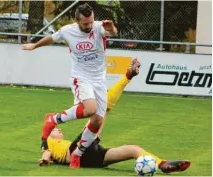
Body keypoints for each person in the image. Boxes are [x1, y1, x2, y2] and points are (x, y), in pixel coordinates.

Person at [38, 61, 191, 174]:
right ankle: (127, 77)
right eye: (55, 129)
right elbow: (46, 153)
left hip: (92, 158)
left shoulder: (56, 141)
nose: (58, 130)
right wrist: (44, 158)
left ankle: (162, 164)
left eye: (57, 128)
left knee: (133, 149)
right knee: (102, 109)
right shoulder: (49, 142)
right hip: (77, 151)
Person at [22, 3, 118, 168]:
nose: (89, 26)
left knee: (97, 121)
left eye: (91, 22)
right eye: (85, 24)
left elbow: (112, 32)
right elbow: (52, 38)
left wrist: (112, 28)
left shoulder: (98, 27)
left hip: (99, 80)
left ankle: (77, 154)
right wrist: (34, 46)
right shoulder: (68, 31)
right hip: (81, 77)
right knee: (90, 108)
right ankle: (54, 119)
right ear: (77, 21)